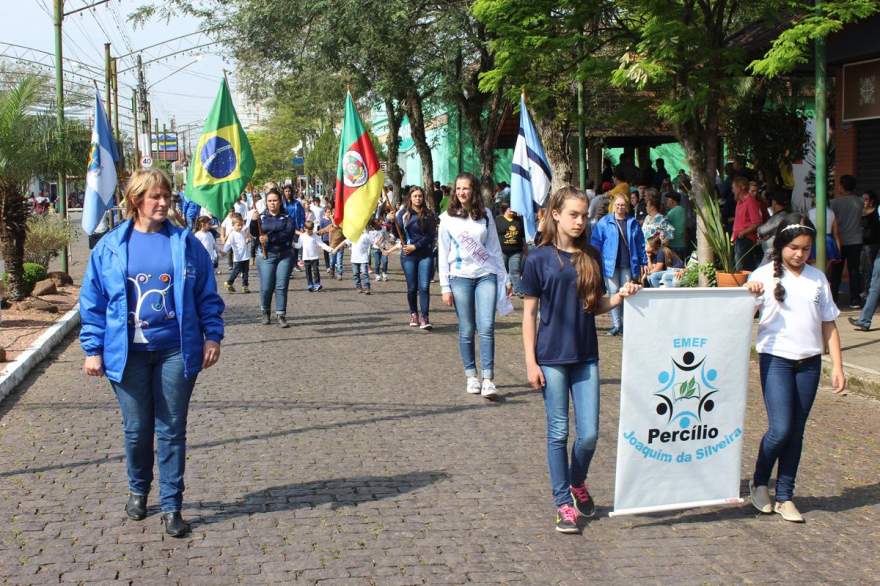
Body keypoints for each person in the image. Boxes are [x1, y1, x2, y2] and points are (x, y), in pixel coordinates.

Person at [79, 168, 224, 538]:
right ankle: (138, 489)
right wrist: (92, 349)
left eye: (167, 196)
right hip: (127, 354)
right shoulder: (110, 246)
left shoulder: (185, 243)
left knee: (172, 428)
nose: (163, 203)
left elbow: (206, 294)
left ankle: (173, 504)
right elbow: (93, 302)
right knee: (137, 429)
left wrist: (212, 335)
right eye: (154, 197)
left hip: (176, 350)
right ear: (135, 201)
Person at [520, 186, 641, 534]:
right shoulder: (538, 259)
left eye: (584, 214)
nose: (579, 220)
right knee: (558, 432)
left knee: (588, 434)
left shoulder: (590, 254)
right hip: (552, 358)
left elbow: (595, 304)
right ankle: (562, 503)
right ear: (555, 214)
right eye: (573, 214)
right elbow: (529, 315)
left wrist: (619, 296)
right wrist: (530, 361)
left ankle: (577, 482)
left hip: (586, 355)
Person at [744, 214, 845, 523]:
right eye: (793, 248)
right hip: (776, 360)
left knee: (797, 432)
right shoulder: (763, 276)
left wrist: (836, 366)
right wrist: (749, 295)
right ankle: (760, 481)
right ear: (781, 246)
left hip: (810, 363)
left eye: (805, 248)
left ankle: (786, 495)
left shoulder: (818, 278)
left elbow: (829, 324)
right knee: (781, 429)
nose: (799, 254)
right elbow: (738, 316)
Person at [438, 173, 512, 398]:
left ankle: (488, 378)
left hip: (485, 274)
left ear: (474, 191)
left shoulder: (486, 215)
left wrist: (505, 278)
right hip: (459, 277)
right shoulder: (447, 218)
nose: (462, 192)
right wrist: (444, 286)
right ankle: (471, 374)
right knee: (468, 328)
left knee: (487, 326)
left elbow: (495, 249)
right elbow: (443, 252)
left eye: (466, 188)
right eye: (458, 188)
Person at [590, 194, 647, 336]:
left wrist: (644, 261)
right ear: (613, 206)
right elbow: (596, 243)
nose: (620, 207)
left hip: (627, 263)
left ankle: (626, 324)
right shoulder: (604, 222)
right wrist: (594, 260)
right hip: (609, 264)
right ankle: (617, 324)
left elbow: (640, 244)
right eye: (618, 205)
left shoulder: (632, 223)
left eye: (623, 205)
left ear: (627, 206)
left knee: (626, 294)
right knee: (613, 293)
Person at [250, 189, 296, 327]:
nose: (272, 203)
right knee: (266, 286)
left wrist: (269, 237)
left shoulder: (287, 218)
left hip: (284, 255)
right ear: (266, 202)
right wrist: (253, 221)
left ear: (280, 201)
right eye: (269, 201)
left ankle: (281, 314)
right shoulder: (261, 217)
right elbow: (254, 232)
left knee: (281, 286)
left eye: (275, 200)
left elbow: (287, 234)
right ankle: (265, 312)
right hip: (266, 255)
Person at [396, 186, 437, 328]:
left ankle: (425, 318)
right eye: (415, 196)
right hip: (408, 256)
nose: (418, 198)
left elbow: (431, 235)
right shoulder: (403, 214)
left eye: (420, 196)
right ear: (410, 198)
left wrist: (416, 246)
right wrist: (392, 221)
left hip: (425, 254)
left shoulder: (429, 214)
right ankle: (414, 314)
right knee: (412, 287)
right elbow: (397, 233)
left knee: (424, 287)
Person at [829, 175, 864, 307]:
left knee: (836, 271)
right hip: (856, 240)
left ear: (842, 186)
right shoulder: (860, 201)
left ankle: (833, 298)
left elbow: (833, 222)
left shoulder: (835, 203)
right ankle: (855, 300)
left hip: (840, 241)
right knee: (854, 270)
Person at [731, 176, 763, 271]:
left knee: (742, 268)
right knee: (739, 266)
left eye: (734, 188)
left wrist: (743, 232)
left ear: (741, 187)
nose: (733, 190)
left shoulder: (750, 201)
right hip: (739, 239)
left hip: (746, 239)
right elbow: (738, 221)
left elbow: (757, 222)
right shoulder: (739, 202)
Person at [495, 204, 527, 296]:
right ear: (505, 209)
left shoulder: (518, 220)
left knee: (515, 271)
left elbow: (522, 236)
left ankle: (518, 290)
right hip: (502, 250)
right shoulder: (498, 220)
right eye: (510, 208)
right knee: (502, 271)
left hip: (516, 250)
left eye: (514, 209)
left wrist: (525, 248)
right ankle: (502, 290)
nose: (512, 210)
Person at [295, 220, 334, 292]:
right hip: (306, 258)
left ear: (313, 229)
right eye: (308, 230)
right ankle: (310, 284)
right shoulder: (302, 236)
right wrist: (292, 244)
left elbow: (322, 244)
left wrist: (330, 249)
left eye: (311, 230)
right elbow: (298, 245)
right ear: (304, 229)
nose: (309, 232)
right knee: (308, 272)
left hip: (315, 257)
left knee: (316, 271)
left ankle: (317, 284)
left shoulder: (315, 236)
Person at [756, 193, 788, 266]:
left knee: (760, 273)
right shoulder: (779, 215)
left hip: (772, 252)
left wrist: (762, 233)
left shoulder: (781, 216)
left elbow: (761, 230)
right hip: (770, 250)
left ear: (774, 202)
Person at [338, 230, 373, 294]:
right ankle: (358, 287)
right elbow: (344, 242)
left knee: (365, 273)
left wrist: (382, 249)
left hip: (363, 258)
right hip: (354, 259)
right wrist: (335, 249)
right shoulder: (353, 235)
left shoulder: (366, 235)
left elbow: (374, 242)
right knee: (356, 274)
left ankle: (367, 288)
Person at [860, 190, 880, 304]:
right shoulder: (860, 212)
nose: (863, 201)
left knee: (871, 269)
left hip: (872, 245)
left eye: (866, 199)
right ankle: (865, 290)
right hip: (861, 244)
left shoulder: (876, 213)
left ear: (871, 201)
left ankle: (869, 292)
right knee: (863, 269)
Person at [222, 213, 250, 293]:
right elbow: (228, 244)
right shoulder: (232, 235)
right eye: (238, 225)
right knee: (236, 271)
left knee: (245, 272)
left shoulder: (242, 232)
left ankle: (245, 286)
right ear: (233, 225)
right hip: (238, 257)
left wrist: (247, 240)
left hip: (245, 256)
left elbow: (244, 240)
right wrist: (224, 251)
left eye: (241, 225)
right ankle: (229, 282)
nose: (240, 227)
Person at [283, 184, 306, 272]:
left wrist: (301, 226)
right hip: (285, 228)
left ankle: (295, 263)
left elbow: (302, 215)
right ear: (283, 192)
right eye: (286, 191)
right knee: (287, 247)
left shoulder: (297, 203)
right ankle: (288, 266)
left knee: (296, 246)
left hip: (295, 228)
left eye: (289, 191)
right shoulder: (282, 203)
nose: (288, 193)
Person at [664, 192, 687, 259]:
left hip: (674, 245)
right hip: (682, 244)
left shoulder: (671, 212)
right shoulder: (682, 210)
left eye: (668, 200)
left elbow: (664, 225)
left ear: (672, 201)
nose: (666, 202)